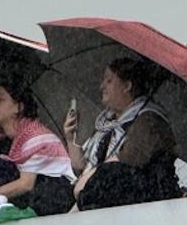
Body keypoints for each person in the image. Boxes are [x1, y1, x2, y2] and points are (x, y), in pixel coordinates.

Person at [65, 57, 179, 210]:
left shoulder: (148, 119)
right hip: (99, 194)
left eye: (109, 81)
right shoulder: (107, 123)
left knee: (109, 175)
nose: (102, 86)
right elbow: (81, 167)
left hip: (137, 198)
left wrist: (90, 181)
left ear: (127, 85)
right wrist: (70, 137)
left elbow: (127, 161)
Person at [0, 80, 76, 216]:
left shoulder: (35, 135)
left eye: (0, 99)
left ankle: (5, 210)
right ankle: (0, 212)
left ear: (18, 107)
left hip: (51, 194)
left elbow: (26, 184)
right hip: (24, 195)